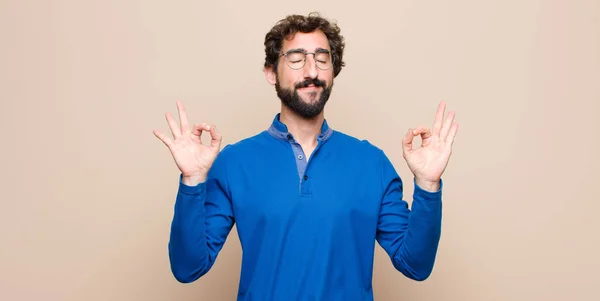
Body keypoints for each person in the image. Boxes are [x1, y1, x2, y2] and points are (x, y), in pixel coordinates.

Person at [153, 12, 458, 301]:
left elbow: (415, 265)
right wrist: (193, 181)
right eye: (296, 59)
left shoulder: (371, 163)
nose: (312, 71)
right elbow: (188, 267)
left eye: (322, 59)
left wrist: (428, 185)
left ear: (333, 71)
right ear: (271, 72)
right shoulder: (234, 162)